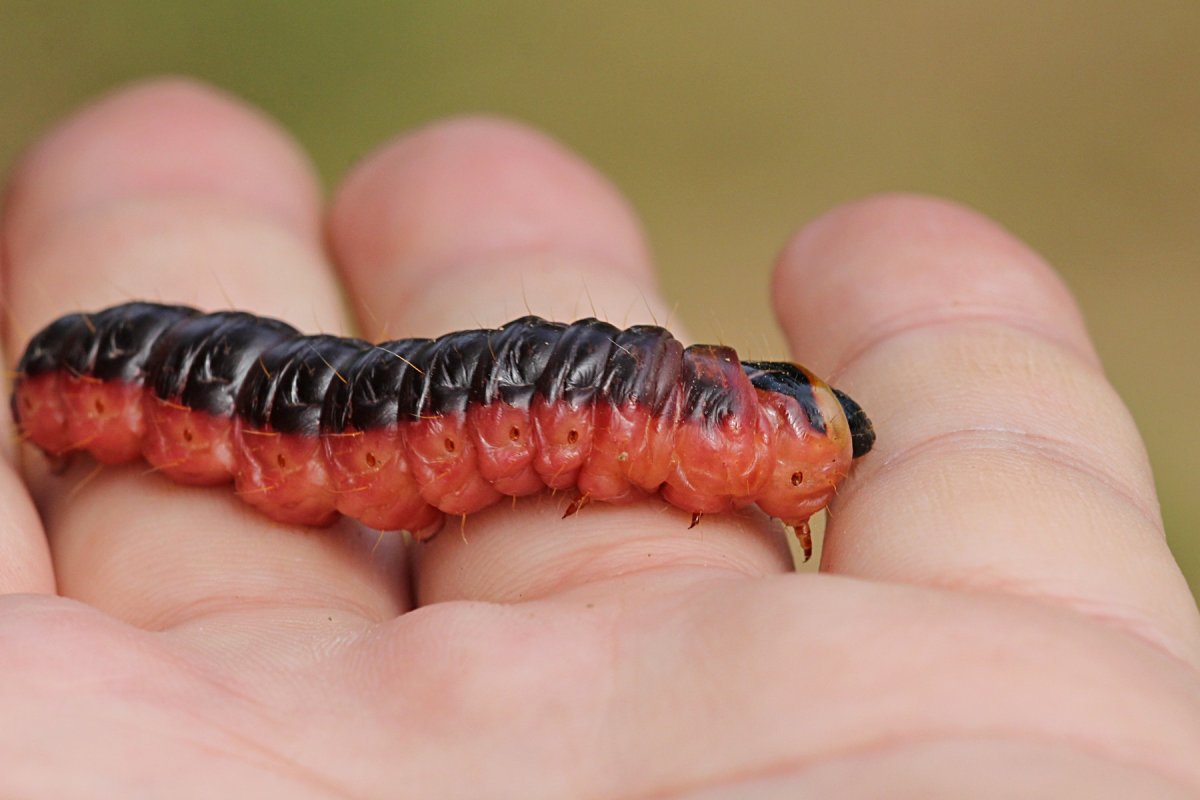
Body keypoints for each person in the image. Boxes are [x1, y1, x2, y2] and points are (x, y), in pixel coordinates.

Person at [1, 78, 1197, 798]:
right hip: (197, 378)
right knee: (345, 396)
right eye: (786, 454)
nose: (798, 480)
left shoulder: (650, 411)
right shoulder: (610, 413)